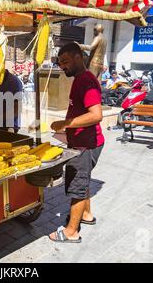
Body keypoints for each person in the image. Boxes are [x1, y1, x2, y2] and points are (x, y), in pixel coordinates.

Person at [49, 43, 104, 243]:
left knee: (77, 185)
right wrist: (67, 129)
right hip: (83, 141)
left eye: (65, 61)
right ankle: (86, 215)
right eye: (59, 62)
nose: (62, 66)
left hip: (86, 144)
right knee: (83, 179)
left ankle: (71, 231)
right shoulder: (80, 79)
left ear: (78, 57)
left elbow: (96, 115)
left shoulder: (86, 82)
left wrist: (66, 123)